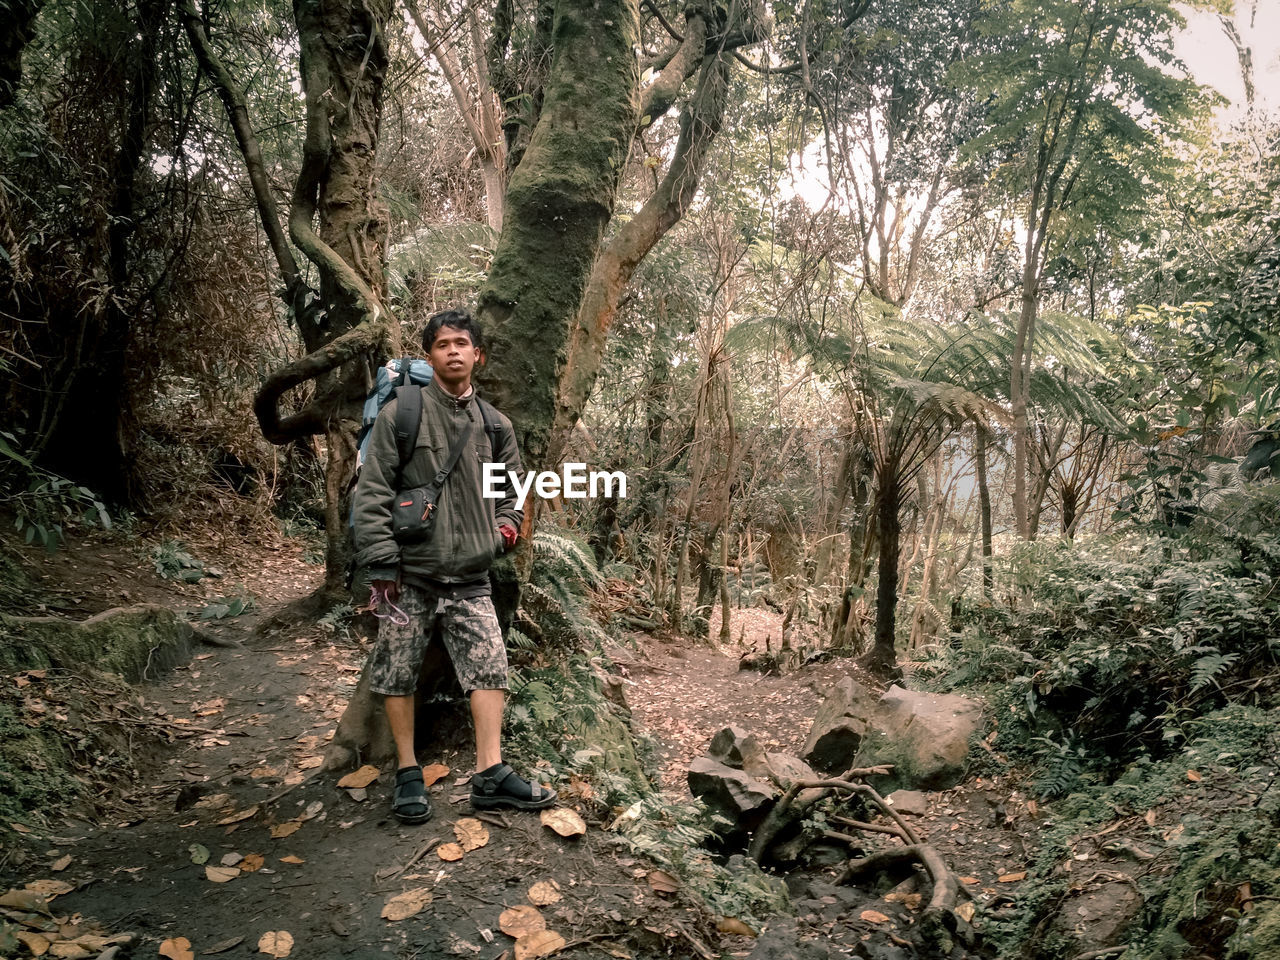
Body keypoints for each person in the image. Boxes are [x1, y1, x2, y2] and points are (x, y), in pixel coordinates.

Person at [351, 307, 556, 824]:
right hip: (410, 573)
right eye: (443, 344)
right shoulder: (403, 413)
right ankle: (407, 771)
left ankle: (490, 773)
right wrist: (381, 563)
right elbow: (373, 492)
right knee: (397, 672)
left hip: (470, 575)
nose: (454, 351)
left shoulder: (494, 425)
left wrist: (503, 532)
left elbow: (515, 493)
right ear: (430, 354)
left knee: (490, 666)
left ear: (477, 355)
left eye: (463, 343)